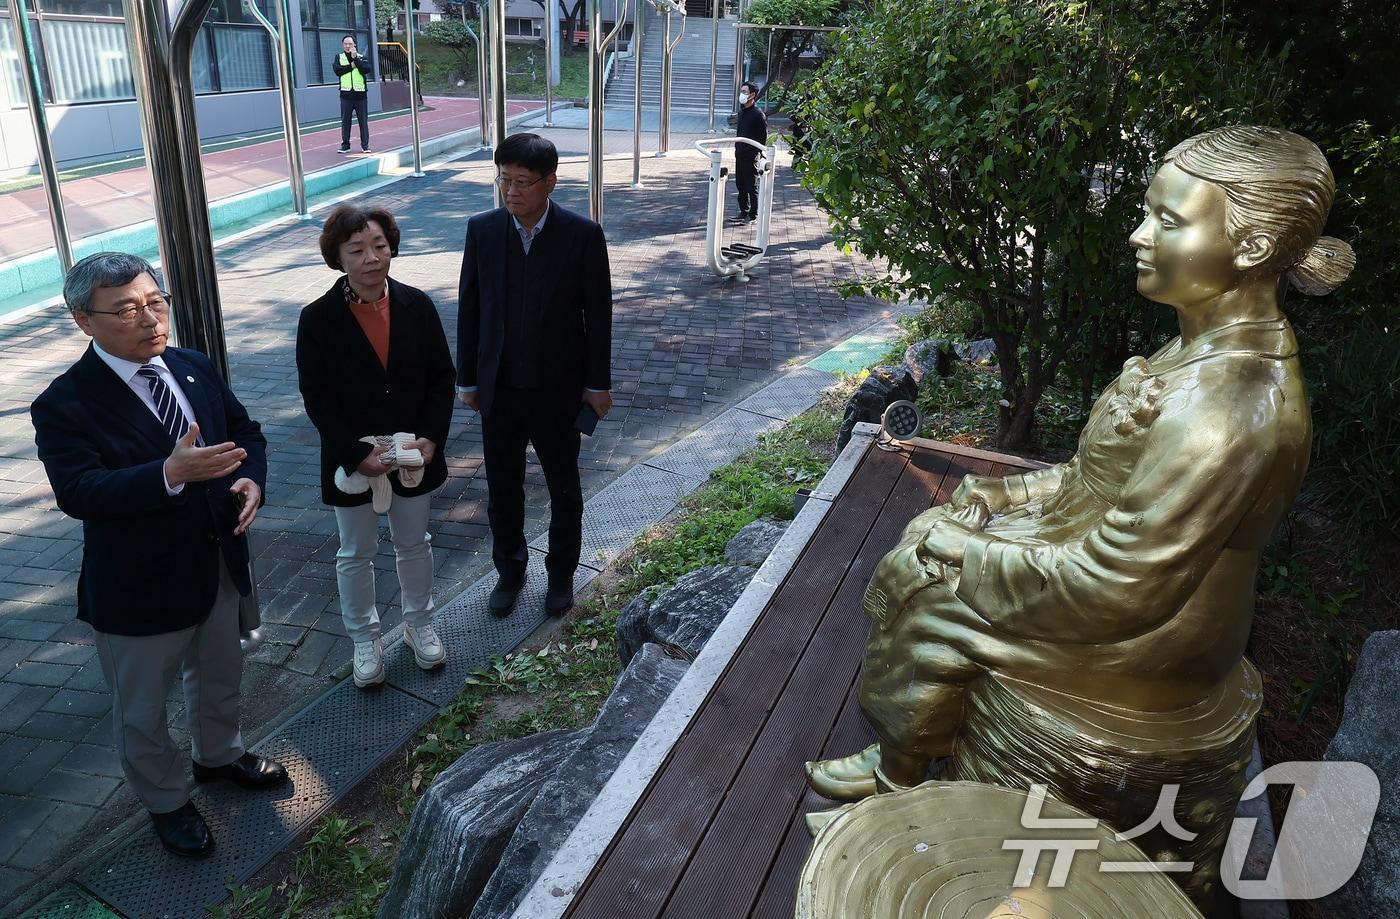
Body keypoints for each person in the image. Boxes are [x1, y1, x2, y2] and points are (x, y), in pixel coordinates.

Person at [806, 125, 1355, 799]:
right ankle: (914, 745)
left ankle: (900, 778)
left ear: (1253, 247)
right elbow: (1098, 480)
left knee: (933, 595)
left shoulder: (1228, 410)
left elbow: (1117, 587)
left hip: (1158, 632)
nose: (1138, 235)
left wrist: (971, 555)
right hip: (1123, 580)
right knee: (929, 534)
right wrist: (1007, 497)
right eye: (1148, 213)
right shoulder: (1200, 351)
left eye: (1168, 221)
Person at [31, 252, 287, 859]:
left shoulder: (192, 366)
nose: (149, 319)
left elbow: (245, 433)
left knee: (220, 674)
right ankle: (167, 800)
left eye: (155, 302)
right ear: (83, 320)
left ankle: (219, 756)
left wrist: (251, 479)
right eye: (125, 310)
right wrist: (168, 473)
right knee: (142, 708)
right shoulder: (65, 402)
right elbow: (80, 492)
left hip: (218, 560)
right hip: (139, 585)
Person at [297, 205, 456, 689]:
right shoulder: (318, 318)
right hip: (352, 458)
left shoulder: (416, 304)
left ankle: (419, 624)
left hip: (413, 454)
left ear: (392, 248)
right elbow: (317, 397)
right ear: (338, 257)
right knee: (356, 551)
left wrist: (431, 437)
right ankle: (365, 639)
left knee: (414, 543)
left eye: (379, 246)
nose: (370, 258)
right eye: (357, 249)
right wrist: (353, 453)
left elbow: (441, 378)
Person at [456, 133, 613, 618]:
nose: (511, 191)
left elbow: (598, 316)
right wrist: (467, 379)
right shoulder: (483, 230)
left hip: (557, 389)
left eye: (523, 182)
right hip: (499, 390)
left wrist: (597, 383)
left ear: (550, 183)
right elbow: (470, 308)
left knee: (564, 488)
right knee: (503, 489)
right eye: (504, 179)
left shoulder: (582, 235)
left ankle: (561, 575)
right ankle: (510, 572)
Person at [733, 80, 768, 223]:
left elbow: (762, 137)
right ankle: (743, 211)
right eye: (741, 91)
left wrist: (758, 153)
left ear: (752, 95)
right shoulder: (742, 112)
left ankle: (753, 215)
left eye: (744, 92)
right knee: (740, 185)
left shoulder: (758, 114)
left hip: (751, 156)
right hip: (739, 155)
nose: (741, 94)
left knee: (751, 187)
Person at [335, 35, 372, 154]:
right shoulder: (339, 57)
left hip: (360, 96)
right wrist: (351, 66)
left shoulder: (362, 57)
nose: (347, 46)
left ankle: (365, 145)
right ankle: (345, 145)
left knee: (363, 122)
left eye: (350, 44)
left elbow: (365, 69)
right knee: (345, 121)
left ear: (354, 44)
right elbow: (338, 71)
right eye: (345, 44)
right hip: (346, 96)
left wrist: (355, 59)